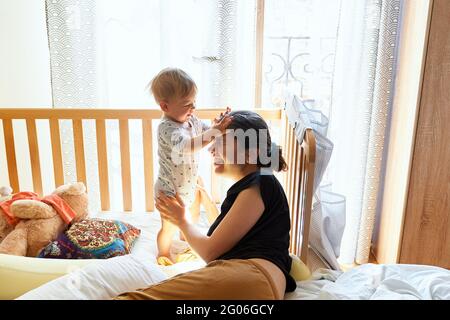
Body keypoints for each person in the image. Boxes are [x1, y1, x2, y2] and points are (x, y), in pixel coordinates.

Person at [115, 110, 296, 300]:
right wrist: (207, 202)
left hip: (251, 277)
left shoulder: (260, 183)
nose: (211, 149)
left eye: (222, 141)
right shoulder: (260, 185)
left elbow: (210, 251)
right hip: (258, 284)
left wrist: (182, 221)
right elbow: (225, 236)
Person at [149, 67, 232, 266]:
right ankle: (164, 254)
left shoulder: (190, 119)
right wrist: (214, 132)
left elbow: (205, 131)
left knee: (190, 219)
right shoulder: (167, 128)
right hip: (168, 192)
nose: (193, 108)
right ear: (165, 106)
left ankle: (186, 242)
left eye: (194, 102)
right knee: (168, 227)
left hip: (189, 185)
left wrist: (217, 125)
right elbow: (189, 146)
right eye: (187, 104)